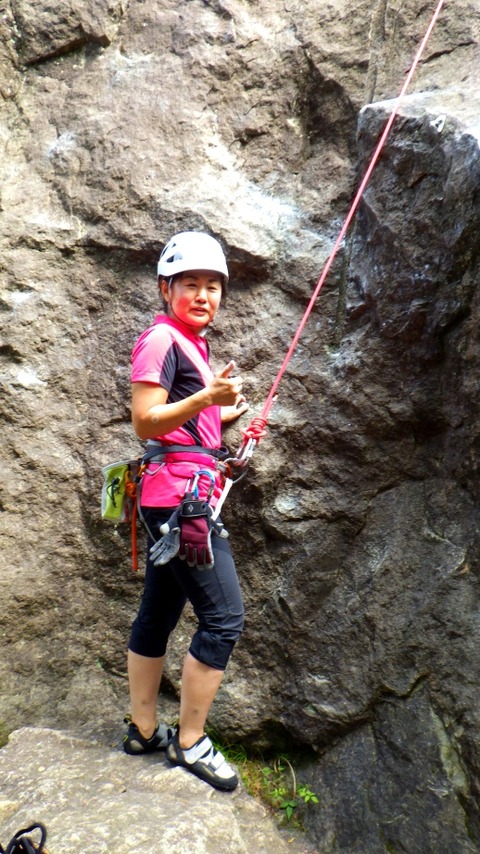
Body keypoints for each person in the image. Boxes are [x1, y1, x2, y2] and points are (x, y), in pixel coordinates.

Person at [123, 231, 249, 792]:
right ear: (165, 288)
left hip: (174, 493)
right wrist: (206, 400)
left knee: (158, 611)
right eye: (190, 284)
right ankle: (191, 742)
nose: (203, 295)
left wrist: (224, 416)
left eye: (212, 286)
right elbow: (145, 420)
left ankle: (143, 729)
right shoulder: (160, 339)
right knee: (224, 619)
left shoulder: (189, 343)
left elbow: (182, 421)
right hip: (178, 500)